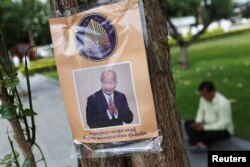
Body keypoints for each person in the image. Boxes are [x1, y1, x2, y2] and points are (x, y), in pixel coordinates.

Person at [185, 80, 234, 151]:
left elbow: (223, 124)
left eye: (205, 94)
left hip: (223, 130)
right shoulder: (203, 98)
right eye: (201, 94)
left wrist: (204, 128)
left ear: (212, 92)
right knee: (188, 123)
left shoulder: (223, 103)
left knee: (208, 134)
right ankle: (199, 143)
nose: (203, 97)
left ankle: (195, 141)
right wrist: (198, 122)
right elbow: (201, 111)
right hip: (206, 124)